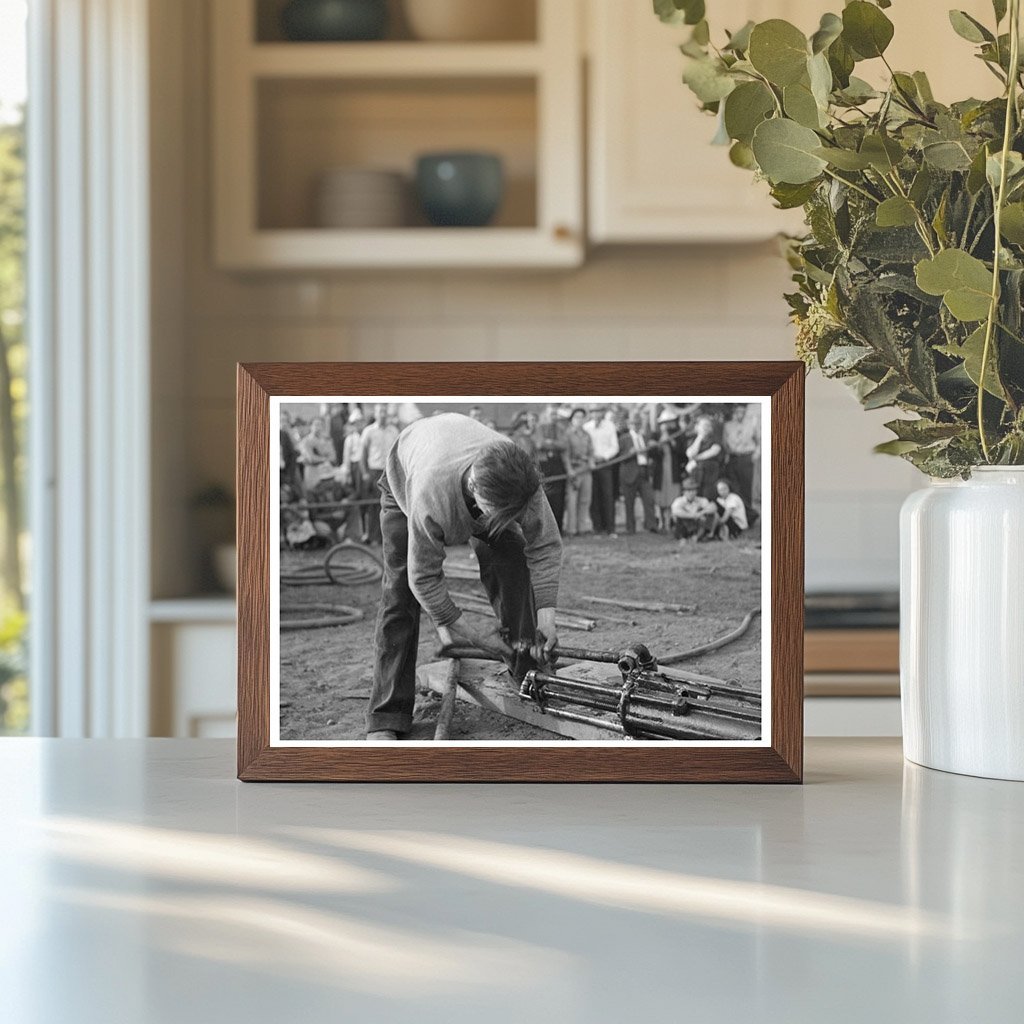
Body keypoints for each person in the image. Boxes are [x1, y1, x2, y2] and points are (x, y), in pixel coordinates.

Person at [365, 413, 562, 741]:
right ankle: (387, 714)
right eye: (499, 515)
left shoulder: (521, 477)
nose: (505, 520)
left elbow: (544, 546)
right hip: (406, 475)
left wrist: (547, 620)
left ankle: (527, 668)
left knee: (511, 553)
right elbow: (424, 578)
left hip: (471, 471)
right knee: (399, 593)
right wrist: (475, 639)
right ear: (476, 492)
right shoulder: (431, 493)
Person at [360, 405, 401, 544]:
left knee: (390, 505)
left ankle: (389, 536)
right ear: (375, 414)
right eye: (380, 412)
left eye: (384, 412)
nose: (382, 415)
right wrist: (365, 473)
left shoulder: (393, 431)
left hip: (390, 471)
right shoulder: (368, 431)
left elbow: (398, 452)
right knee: (374, 505)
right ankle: (373, 537)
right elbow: (363, 454)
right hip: (374, 471)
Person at [619, 411, 657, 534]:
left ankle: (651, 526)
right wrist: (629, 453)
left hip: (643, 471)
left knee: (649, 499)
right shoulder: (624, 439)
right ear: (629, 425)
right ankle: (630, 528)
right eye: (633, 423)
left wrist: (653, 447)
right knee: (629, 502)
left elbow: (652, 455)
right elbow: (618, 457)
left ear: (641, 425)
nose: (636, 425)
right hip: (629, 473)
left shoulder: (645, 438)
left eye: (638, 423)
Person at [535, 404, 570, 533]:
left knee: (559, 498)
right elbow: (539, 443)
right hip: (544, 465)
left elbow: (564, 444)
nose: (554, 417)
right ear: (546, 415)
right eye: (551, 414)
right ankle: (547, 530)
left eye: (556, 414)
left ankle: (559, 528)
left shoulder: (561, 429)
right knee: (546, 497)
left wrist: (549, 442)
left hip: (558, 464)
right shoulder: (539, 428)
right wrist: (554, 443)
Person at [585, 406, 619, 536]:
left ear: (603, 413)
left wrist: (604, 456)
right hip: (591, 466)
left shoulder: (610, 426)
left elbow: (615, 447)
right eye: (594, 411)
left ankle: (611, 528)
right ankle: (597, 528)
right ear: (591, 413)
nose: (596, 414)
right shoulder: (587, 427)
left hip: (606, 464)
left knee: (608, 496)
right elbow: (585, 447)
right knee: (594, 497)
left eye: (599, 411)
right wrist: (591, 459)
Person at [723, 404, 760, 512]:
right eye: (738, 411)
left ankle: (749, 514)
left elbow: (759, 441)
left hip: (747, 457)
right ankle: (737, 513)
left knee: (747, 486)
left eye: (743, 412)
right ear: (734, 412)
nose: (740, 414)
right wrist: (731, 453)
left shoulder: (752, 424)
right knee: (734, 486)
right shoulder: (728, 425)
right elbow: (725, 443)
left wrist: (756, 453)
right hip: (733, 458)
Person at [564, 407, 594, 536]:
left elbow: (591, 451)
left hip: (586, 470)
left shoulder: (587, 435)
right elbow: (565, 454)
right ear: (572, 419)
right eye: (577, 417)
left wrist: (591, 461)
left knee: (585, 500)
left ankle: (582, 528)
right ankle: (571, 529)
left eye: (582, 417)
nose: (580, 420)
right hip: (574, 470)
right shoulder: (567, 434)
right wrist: (569, 470)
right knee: (572, 501)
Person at [652, 410, 684, 532]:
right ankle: (660, 521)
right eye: (664, 423)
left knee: (672, 497)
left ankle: (669, 522)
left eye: (669, 422)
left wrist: (671, 441)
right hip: (660, 472)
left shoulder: (677, 435)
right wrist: (660, 443)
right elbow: (652, 454)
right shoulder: (655, 435)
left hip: (673, 471)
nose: (667, 425)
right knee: (660, 497)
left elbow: (681, 452)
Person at [686, 415, 724, 501]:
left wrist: (694, 459)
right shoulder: (692, 440)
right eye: (703, 425)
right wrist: (699, 437)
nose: (705, 428)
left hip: (711, 474)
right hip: (696, 475)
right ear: (697, 427)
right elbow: (690, 453)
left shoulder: (715, 440)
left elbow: (713, 452)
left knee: (708, 497)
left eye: (707, 425)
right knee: (696, 496)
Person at [297, 416, 337, 494]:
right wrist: (325, 458)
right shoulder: (305, 441)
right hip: (312, 474)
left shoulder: (327, 440)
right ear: (311, 426)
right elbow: (311, 458)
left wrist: (322, 458)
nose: (318, 427)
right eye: (316, 424)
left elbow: (333, 457)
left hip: (327, 475)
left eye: (320, 425)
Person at [670, 479, 716, 543]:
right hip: (684, 526)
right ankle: (684, 537)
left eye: (693, 490)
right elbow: (676, 511)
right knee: (681, 516)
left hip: (697, 524)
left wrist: (701, 513)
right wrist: (693, 515)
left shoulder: (701, 500)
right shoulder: (679, 501)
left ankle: (698, 536)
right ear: (684, 491)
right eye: (689, 491)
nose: (691, 493)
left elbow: (713, 508)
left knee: (711, 515)